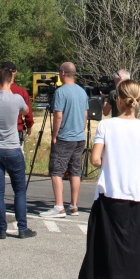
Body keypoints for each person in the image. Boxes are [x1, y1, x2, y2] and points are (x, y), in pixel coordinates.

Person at [62, 79, 140, 279]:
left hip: (110, 195)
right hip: (139, 195)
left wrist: (112, 160)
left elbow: (95, 159)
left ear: (118, 100)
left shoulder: (106, 126)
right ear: (138, 101)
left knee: (96, 246)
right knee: (134, 248)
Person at [0, 68, 37, 240]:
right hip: (12, 148)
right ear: (11, 81)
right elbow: (26, 111)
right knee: (19, 190)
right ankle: (22, 228)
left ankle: (1, 229)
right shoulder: (17, 98)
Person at [41, 62, 89, 219]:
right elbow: (85, 115)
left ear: (62, 73)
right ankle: (74, 205)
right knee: (75, 171)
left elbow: (58, 116)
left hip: (65, 137)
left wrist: (54, 135)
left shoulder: (61, 92)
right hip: (79, 137)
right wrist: (80, 129)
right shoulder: (82, 91)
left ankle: (59, 206)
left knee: (57, 170)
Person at [1, 61, 35, 144]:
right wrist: (29, 126)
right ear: (15, 72)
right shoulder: (21, 91)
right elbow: (28, 113)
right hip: (16, 129)